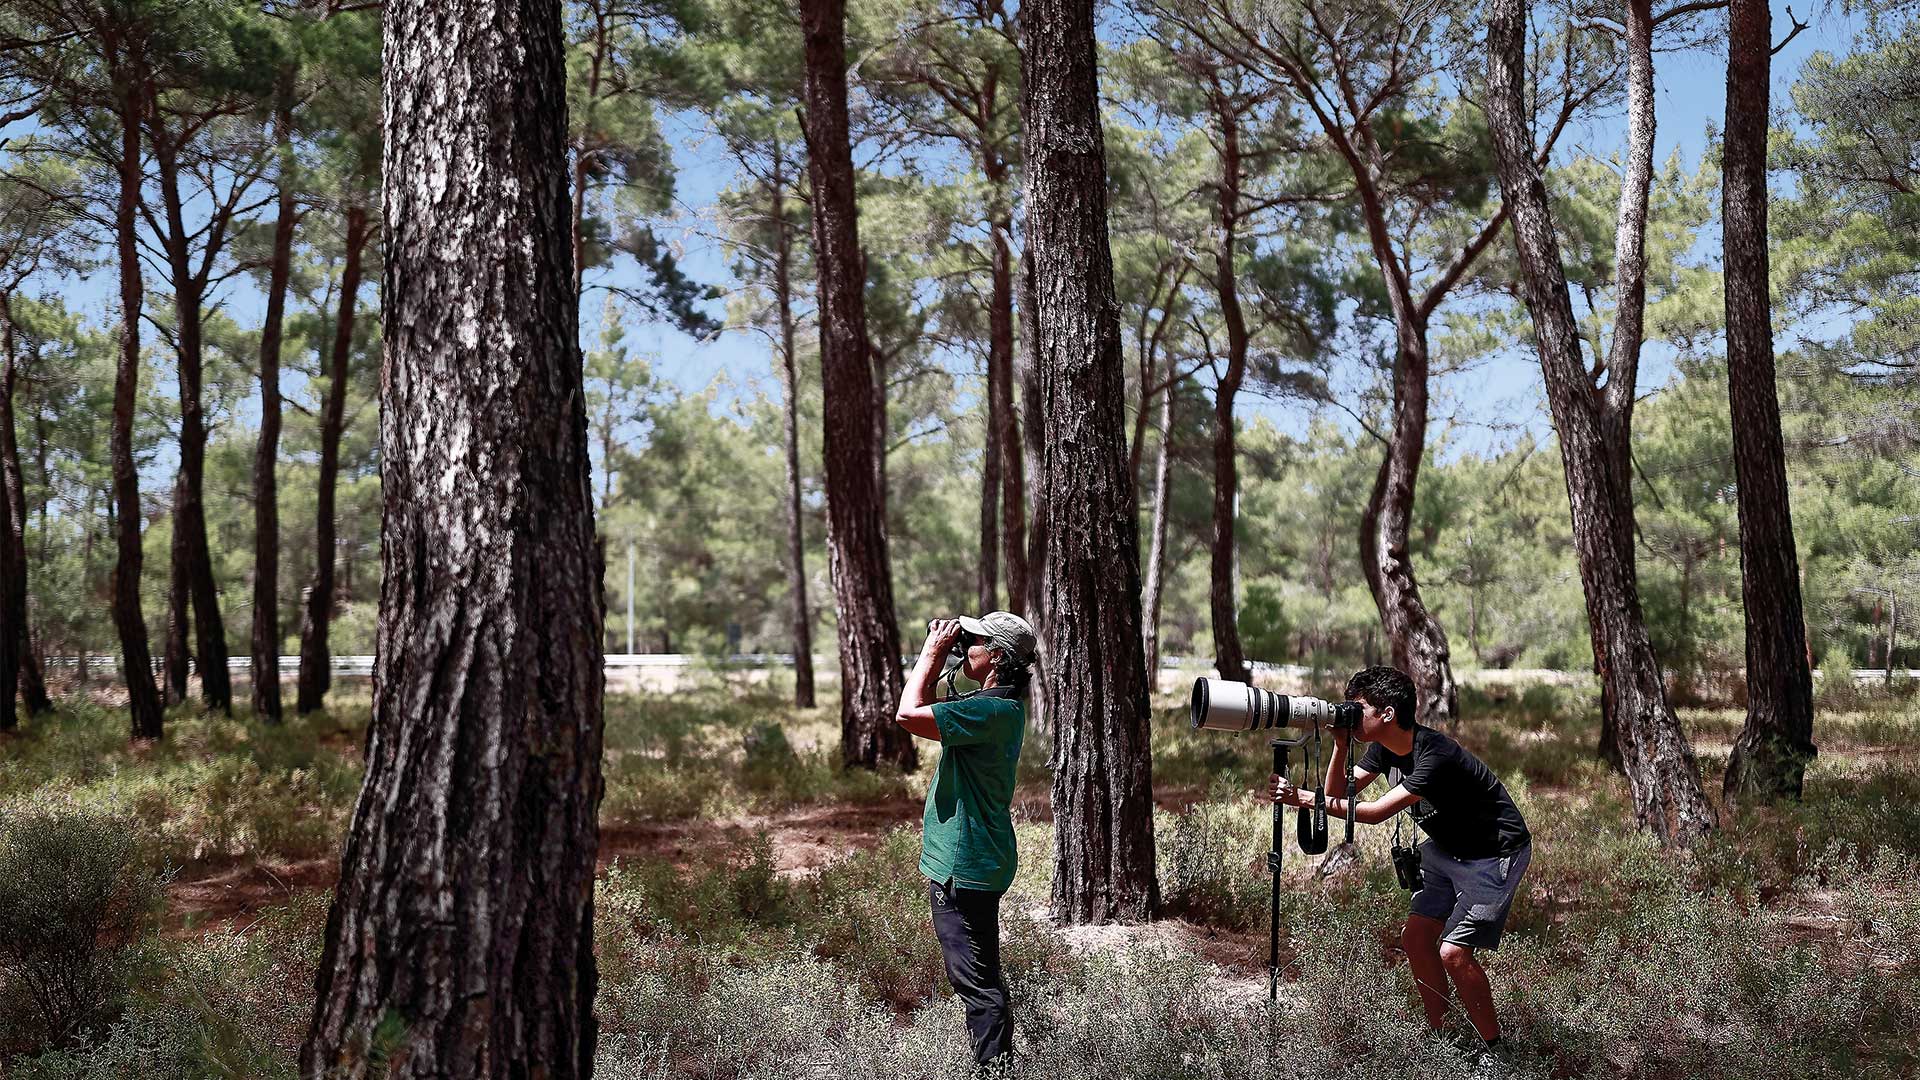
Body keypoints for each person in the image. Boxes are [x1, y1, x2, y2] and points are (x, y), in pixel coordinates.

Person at [1267, 665, 1532, 1059]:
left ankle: (1496, 1052)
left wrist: (1302, 799)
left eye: (1357, 710)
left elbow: (1372, 812)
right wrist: (1341, 744)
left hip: (1493, 853)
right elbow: (1340, 792)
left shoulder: (1435, 753)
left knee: (1453, 953)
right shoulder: (1381, 749)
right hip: (1445, 848)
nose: (1349, 716)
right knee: (1416, 938)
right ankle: (1442, 1038)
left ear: (1388, 713)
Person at [896, 610, 1036, 1073]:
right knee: (983, 974)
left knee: (975, 983)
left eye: (973, 641)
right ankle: (998, 1062)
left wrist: (932, 654)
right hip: (978, 858)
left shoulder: (989, 710)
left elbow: (908, 713)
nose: (964, 646)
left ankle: (994, 1069)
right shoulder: (998, 704)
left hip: (965, 863)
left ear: (995, 656)